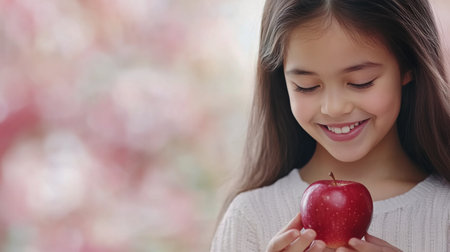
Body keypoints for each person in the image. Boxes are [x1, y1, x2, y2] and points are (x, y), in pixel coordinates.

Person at [211, 0, 450, 251]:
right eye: (307, 86)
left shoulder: (443, 214)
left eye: (361, 82)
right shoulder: (250, 218)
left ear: (408, 66)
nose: (333, 108)